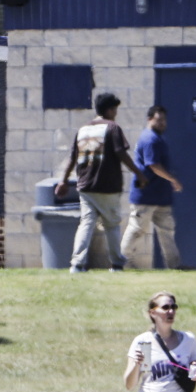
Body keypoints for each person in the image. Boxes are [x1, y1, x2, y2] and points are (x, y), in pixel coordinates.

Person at [55, 92, 148, 272]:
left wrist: (63, 181)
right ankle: (116, 264)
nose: (116, 113)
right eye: (115, 109)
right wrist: (139, 173)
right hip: (107, 186)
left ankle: (77, 264)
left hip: (85, 186)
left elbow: (72, 158)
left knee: (86, 223)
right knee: (111, 225)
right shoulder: (112, 128)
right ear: (110, 109)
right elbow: (122, 154)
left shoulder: (83, 130)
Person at [121, 105, 183, 270]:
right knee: (136, 229)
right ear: (149, 119)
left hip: (161, 196)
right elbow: (153, 165)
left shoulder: (157, 138)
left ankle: (174, 266)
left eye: (164, 120)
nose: (163, 123)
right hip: (145, 195)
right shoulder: (150, 139)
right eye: (158, 119)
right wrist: (172, 179)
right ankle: (121, 263)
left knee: (167, 232)